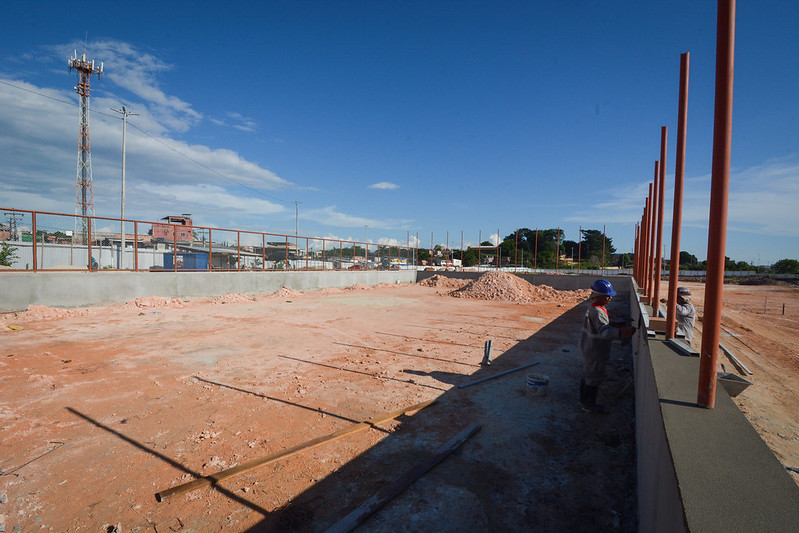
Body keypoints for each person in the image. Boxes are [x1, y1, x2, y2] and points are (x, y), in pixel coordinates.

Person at [579, 279, 636, 414]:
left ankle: (582, 400)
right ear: (598, 296)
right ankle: (588, 404)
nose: (610, 297)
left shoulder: (594, 307)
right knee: (593, 378)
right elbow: (605, 332)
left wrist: (618, 323)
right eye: (607, 295)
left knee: (587, 375)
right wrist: (623, 332)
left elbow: (602, 325)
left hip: (589, 348)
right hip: (595, 350)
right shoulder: (598, 312)